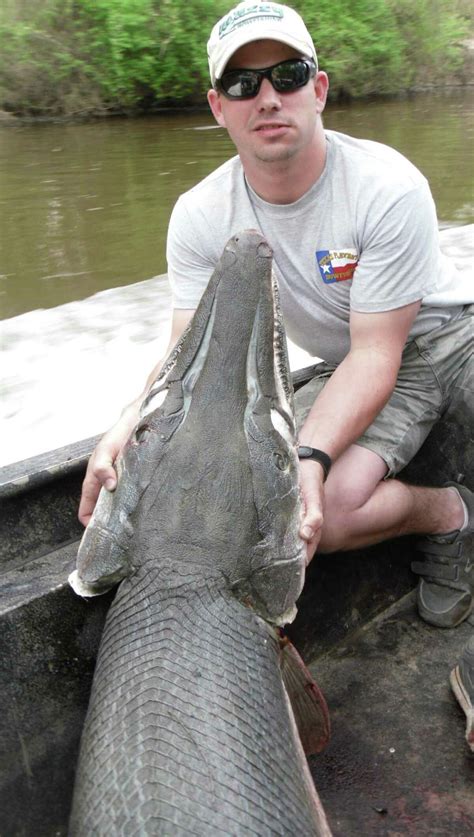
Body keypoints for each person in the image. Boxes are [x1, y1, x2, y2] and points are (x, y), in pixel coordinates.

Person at [79, 2, 473, 630]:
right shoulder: (201, 214)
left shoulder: (386, 185)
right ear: (218, 107)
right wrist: (128, 422)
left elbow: (381, 352)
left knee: (327, 494)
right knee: (301, 512)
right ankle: (451, 512)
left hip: (446, 339)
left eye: (286, 76)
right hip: (356, 357)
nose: (266, 98)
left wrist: (311, 459)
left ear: (317, 90)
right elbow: (188, 349)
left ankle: (446, 512)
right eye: (243, 84)